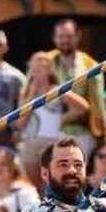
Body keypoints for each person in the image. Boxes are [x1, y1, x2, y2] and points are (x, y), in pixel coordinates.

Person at [17, 52, 88, 190]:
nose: (36, 72)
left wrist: (62, 119)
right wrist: (31, 96)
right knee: (32, 186)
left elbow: (83, 107)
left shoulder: (56, 91)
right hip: (30, 141)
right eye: (33, 69)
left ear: (49, 70)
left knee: (49, 183)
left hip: (50, 142)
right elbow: (20, 123)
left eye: (40, 68)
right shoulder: (25, 93)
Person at [48, 19, 106, 155]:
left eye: (69, 36)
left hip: (84, 133)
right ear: (54, 38)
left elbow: (99, 105)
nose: (65, 41)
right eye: (61, 36)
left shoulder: (90, 65)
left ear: (78, 36)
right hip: (51, 132)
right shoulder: (46, 62)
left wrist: (103, 132)